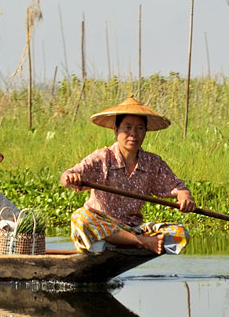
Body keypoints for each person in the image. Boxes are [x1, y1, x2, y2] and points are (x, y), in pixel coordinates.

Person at [60, 95, 196, 254]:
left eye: (139, 128)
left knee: (180, 233)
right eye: (128, 127)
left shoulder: (152, 163)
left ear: (145, 132)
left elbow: (179, 187)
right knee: (80, 218)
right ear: (116, 130)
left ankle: (129, 243)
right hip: (103, 227)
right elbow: (67, 177)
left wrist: (185, 198)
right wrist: (70, 178)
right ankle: (140, 243)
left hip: (134, 228)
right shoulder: (103, 158)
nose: (133, 134)